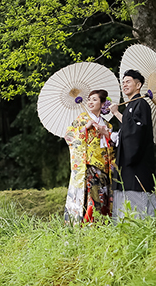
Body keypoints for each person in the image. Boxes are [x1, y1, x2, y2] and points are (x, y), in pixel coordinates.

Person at [110, 69, 156, 219]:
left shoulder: (141, 104)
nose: (124, 85)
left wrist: (117, 114)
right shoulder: (131, 106)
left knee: (139, 209)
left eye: (128, 81)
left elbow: (136, 132)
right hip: (127, 165)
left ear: (138, 85)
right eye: (123, 82)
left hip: (137, 164)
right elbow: (125, 134)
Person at [62, 89, 116, 223]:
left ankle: (101, 225)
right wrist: (85, 127)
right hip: (89, 165)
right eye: (89, 100)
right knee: (92, 198)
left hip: (104, 167)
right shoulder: (82, 118)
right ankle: (88, 225)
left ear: (103, 103)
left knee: (103, 197)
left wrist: (106, 134)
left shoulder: (107, 125)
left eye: (95, 100)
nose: (90, 102)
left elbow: (113, 147)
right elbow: (69, 137)